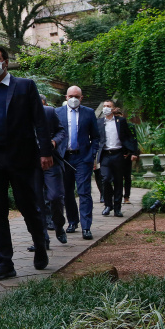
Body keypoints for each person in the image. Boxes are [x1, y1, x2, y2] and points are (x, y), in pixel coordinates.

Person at [0, 44, 53, 280]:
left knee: (28, 207)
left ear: (6, 62)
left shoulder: (25, 86)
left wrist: (45, 152)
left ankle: (40, 245)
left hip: (22, 158)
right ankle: (5, 262)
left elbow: (40, 121)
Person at [56, 86, 100, 240]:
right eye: (70, 96)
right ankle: (72, 221)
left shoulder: (88, 113)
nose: (73, 98)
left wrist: (92, 154)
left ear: (81, 98)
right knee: (67, 192)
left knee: (84, 192)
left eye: (76, 96)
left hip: (83, 157)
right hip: (64, 157)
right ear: (66, 97)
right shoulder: (57, 112)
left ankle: (86, 227)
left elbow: (95, 136)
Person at [28, 94, 68, 252]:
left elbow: (61, 132)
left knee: (55, 196)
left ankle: (59, 226)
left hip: (51, 162)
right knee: (37, 203)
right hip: (31, 164)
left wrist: (54, 141)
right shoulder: (19, 115)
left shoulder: (49, 112)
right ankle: (42, 239)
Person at [95, 100, 139, 217]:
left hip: (118, 154)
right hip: (105, 155)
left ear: (113, 109)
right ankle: (108, 204)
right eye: (104, 106)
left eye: (108, 106)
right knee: (106, 179)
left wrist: (131, 152)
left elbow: (129, 137)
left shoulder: (121, 121)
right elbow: (95, 139)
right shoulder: (99, 122)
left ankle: (117, 208)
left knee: (118, 181)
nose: (105, 108)